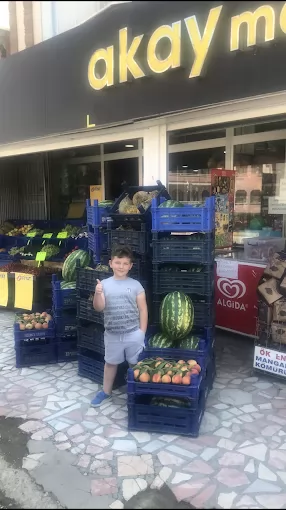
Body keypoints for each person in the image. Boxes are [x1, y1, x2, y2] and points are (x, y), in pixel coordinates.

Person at [90, 245, 148, 407]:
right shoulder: (104, 285)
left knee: (135, 364)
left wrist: (141, 332)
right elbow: (99, 307)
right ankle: (106, 391)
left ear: (130, 266)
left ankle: (137, 391)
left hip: (133, 334)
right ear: (110, 263)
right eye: (118, 262)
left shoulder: (136, 285)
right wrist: (98, 293)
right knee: (110, 363)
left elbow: (143, 309)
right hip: (112, 334)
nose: (121, 266)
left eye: (125, 263)